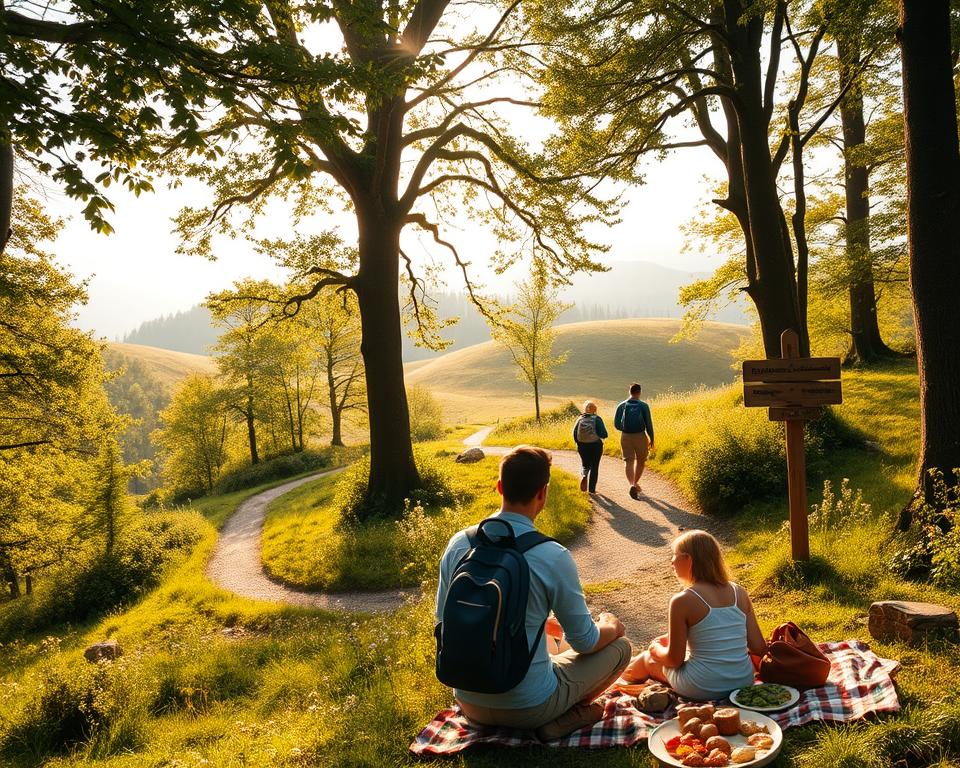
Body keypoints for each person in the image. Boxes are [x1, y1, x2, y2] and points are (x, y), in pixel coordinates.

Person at [435, 446, 631, 740]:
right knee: (621, 648)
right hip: (529, 708)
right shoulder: (552, 555)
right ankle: (564, 718)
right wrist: (612, 626)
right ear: (543, 493)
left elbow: (441, 622)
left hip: (467, 702)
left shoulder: (459, 544)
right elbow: (585, 642)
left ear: (500, 487)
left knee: (550, 644)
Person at [621, 530, 767, 700]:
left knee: (647, 659)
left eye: (675, 555)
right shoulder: (739, 592)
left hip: (701, 686)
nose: (672, 561)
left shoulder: (682, 600)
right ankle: (624, 678)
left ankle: (619, 683)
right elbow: (758, 647)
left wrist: (655, 649)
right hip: (742, 681)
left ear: (688, 559)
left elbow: (674, 660)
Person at [613, 382, 654, 499]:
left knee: (628, 461)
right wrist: (652, 437)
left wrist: (625, 430)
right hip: (640, 436)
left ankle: (632, 484)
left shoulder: (621, 405)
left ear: (629, 391)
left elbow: (616, 424)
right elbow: (648, 424)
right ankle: (635, 483)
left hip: (625, 436)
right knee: (641, 461)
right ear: (639, 392)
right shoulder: (643, 406)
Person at [572, 400, 608, 494]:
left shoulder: (580, 418)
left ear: (585, 409)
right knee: (594, 467)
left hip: (582, 446)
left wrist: (579, 443)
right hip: (595, 446)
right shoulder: (597, 419)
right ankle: (592, 490)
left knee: (585, 464)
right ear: (595, 409)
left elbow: (574, 433)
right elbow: (604, 434)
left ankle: (584, 475)